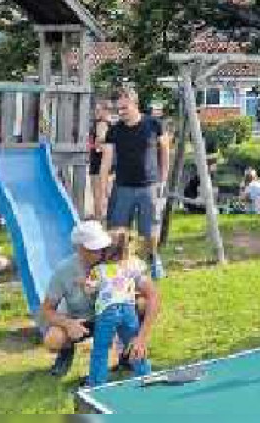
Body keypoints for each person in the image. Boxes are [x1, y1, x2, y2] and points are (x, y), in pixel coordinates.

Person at [42, 221, 161, 378]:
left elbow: (153, 295)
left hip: (114, 315)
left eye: (101, 248)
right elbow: (47, 309)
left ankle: (128, 354)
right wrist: (68, 324)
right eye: (92, 250)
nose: (99, 254)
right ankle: (65, 354)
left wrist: (141, 338)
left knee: (142, 304)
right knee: (54, 339)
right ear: (79, 248)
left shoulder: (122, 262)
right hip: (80, 321)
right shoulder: (64, 270)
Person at [96, 88, 169, 280]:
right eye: (118, 109)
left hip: (149, 187)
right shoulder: (115, 130)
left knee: (149, 230)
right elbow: (106, 161)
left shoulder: (154, 125)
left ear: (135, 103)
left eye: (124, 107)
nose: (121, 112)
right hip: (122, 188)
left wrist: (163, 178)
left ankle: (153, 260)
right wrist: (103, 191)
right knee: (117, 232)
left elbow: (165, 149)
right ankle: (119, 267)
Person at [83, 230, 153, 387]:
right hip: (128, 310)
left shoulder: (99, 269)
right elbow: (141, 271)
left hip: (107, 311)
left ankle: (96, 383)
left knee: (101, 348)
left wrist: (84, 282)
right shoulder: (130, 265)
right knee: (133, 342)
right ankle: (145, 374)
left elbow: (89, 289)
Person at [88, 100, 114, 220]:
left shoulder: (102, 124)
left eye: (99, 110)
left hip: (99, 165)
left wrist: (96, 145)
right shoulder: (110, 125)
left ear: (106, 111)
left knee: (99, 196)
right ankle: (100, 218)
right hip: (103, 165)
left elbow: (100, 145)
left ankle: (99, 221)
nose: (96, 112)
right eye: (96, 110)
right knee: (102, 196)